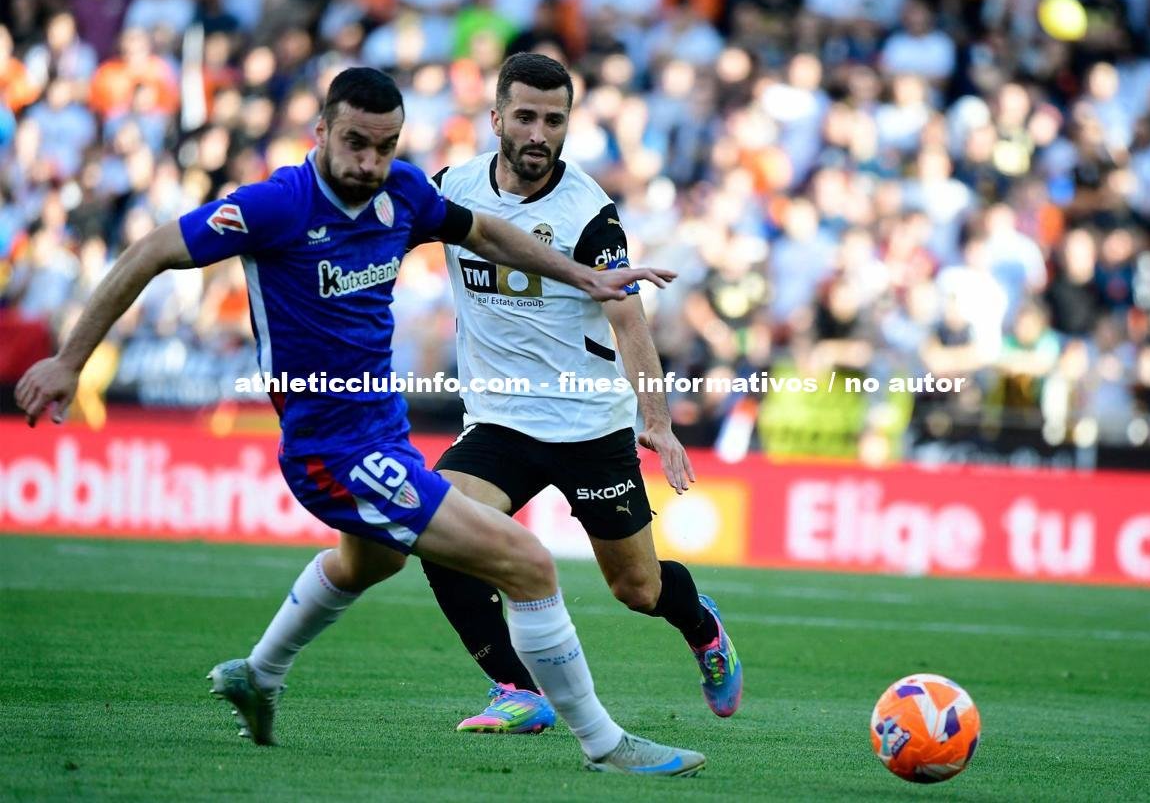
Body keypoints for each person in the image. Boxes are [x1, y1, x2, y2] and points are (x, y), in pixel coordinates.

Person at [14, 67, 705, 777]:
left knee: (367, 561)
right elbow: (151, 251)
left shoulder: (404, 191)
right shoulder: (276, 206)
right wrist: (70, 359)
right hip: (328, 449)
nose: (369, 163)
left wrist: (583, 276)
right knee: (527, 563)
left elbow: (488, 233)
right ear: (320, 133)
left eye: (384, 146)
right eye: (355, 144)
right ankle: (605, 745)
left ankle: (259, 673)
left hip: (384, 435)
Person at [424, 52, 742, 735]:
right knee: (438, 530)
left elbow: (627, 315)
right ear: (498, 119)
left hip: (589, 429)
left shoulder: (590, 213)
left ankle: (702, 624)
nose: (539, 133)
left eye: (554, 121)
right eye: (527, 117)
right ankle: (515, 686)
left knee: (638, 589)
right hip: (499, 424)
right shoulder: (451, 187)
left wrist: (655, 422)